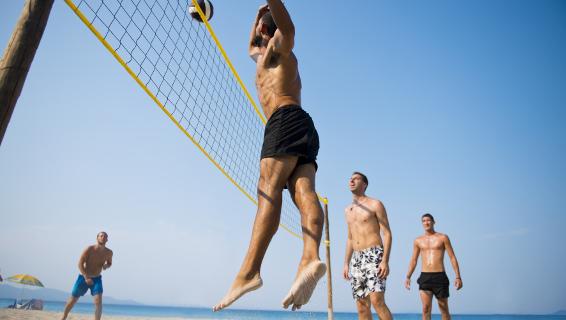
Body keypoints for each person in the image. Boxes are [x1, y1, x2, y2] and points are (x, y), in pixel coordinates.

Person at [213, 0, 325, 312]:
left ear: (266, 28)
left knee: (267, 190)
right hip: (301, 123)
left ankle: (249, 273)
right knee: (303, 192)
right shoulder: (263, 55)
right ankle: (310, 257)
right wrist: (256, 13)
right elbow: (250, 45)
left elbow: (288, 28)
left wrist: (270, 4)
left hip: (284, 120)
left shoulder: (279, 47)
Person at [343, 172, 393, 320]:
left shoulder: (375, 204)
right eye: (350, 178)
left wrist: (385, 260)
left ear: (364, 184)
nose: (351, 180)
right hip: (356, 260)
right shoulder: (347, 210)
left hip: (374, 254)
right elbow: (350, 238)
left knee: (377, 302)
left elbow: (387, 233)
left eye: (356, 178)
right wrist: (346, 263)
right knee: (361, 307)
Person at [405, 214, 463, 320]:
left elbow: (452, 257)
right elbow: (414, 260)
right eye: (423, 221)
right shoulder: (418, 240)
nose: (426, 222)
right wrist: (408, 276)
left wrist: (458, 276)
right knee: (425, 309)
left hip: (439, 276)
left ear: (433, 222)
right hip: (425, 277)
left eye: (428, 220)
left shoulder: (443, 237)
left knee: (444, 308)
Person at [61, 231, 113, 320]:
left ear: (107, 239)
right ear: (97, 238)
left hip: (97, 279)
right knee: (73, 300)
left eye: (105, 236)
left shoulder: (109, 252)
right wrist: (86, 277)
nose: (103, 237)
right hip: (83, 277)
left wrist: (106, 266)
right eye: (101, 236)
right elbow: (80, 263)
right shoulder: (89, 249)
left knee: (98, 301)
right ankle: (64, 317)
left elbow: (109, 263)